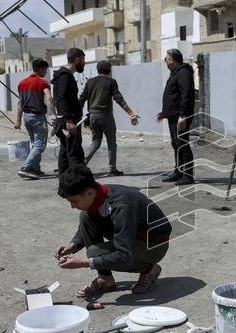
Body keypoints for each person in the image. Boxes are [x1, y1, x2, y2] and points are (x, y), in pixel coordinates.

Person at [54, 165, 173, 298]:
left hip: (154, 245)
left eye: (74, 201)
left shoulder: (121, 206)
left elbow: (123, 255)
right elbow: (90, 225)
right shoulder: (98, 193)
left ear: (89, 193)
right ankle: (106, 279)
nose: (72, 206)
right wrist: (73, 245)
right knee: (86, 216)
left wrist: (83, 263)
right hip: (134, 237)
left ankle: (150, 269)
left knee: (95, 252)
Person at [80, 60, 139, 176]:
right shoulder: (111, 82)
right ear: (109, 70)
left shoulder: (90, 82)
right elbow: (119, 99)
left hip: (92, 116)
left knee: (95, 142)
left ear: (98, 69)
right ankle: (112, 169)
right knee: (111, 142)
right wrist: (130, 112)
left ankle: (82, 164)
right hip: (106, 115)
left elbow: (82, 99)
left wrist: (77, 115)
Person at [157, 48, 195, 185]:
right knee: (176, 144)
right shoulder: (175, 73)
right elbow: (174, 95)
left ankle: (188, 175)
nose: (165, 61)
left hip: (180, 116)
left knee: (182, 144)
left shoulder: (183, 73)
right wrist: (164, 111)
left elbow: (187, 95)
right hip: (173, 115)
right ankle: (179, 172)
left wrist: (183, 115)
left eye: (166, 59)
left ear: (172, 59)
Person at [14, 58, 53, 179]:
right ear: (40, 69)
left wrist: (18, 120)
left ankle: (36, 169)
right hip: (37, 117)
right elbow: (49, 97)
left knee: (34, 143)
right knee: (40, 145)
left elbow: (20, 103)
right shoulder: (43, 83)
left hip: (26, 117)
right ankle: (26, 167)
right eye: (45, 69)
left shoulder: (22, 83)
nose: (46, 72)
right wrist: (52, 113)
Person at [52, 48, 86, 175]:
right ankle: (76, 182)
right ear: (77, 59)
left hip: (68, 119)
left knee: (66, 150)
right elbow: (61, 98)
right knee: (74, 152)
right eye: (83, 60)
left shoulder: (63, 75)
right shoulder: (65, 76)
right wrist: (68, 120)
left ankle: (66, 181)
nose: (84, 63)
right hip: (68, 120)